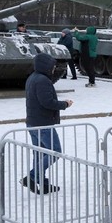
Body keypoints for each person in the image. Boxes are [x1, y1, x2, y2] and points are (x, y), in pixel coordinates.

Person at [22, 53, 73, 194]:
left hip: (33, 122)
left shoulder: (32, 78)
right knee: (55, 152)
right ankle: (32, 177)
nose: (54, 69)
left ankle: (42, 183)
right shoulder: (42, 80)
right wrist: (65, 104)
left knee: (39, 154)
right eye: (52, 66)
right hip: (43, 123)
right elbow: (47, 102)